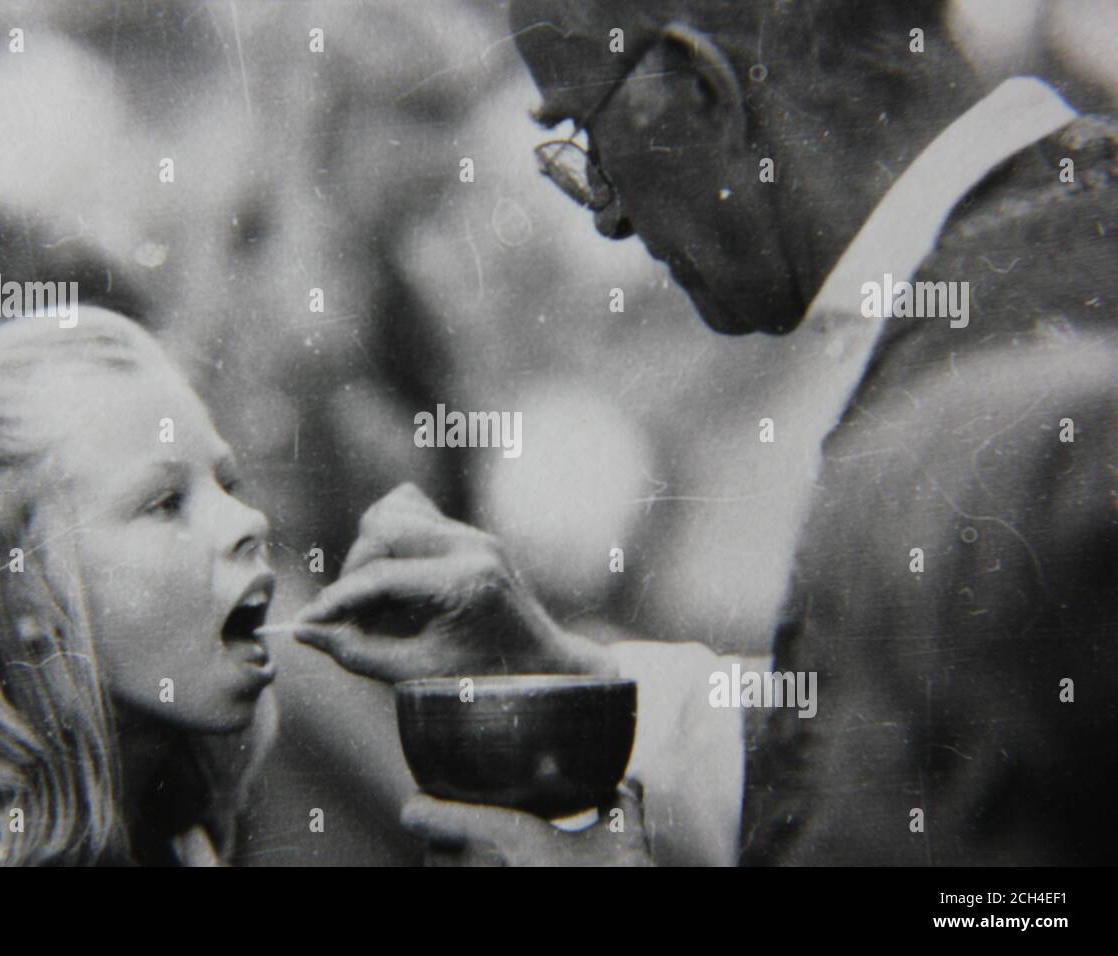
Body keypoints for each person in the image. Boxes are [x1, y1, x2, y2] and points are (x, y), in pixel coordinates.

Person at [291, 0, 1117, 865]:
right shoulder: (1043, 247)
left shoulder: (1005, 379)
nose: (604, 211)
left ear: (697, 89)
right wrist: (584, 689)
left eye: (585, 134)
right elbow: (912, 744)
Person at [0, 306, 279, 865]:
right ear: (18, 590)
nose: (249, 521)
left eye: (227, 483)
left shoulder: (181, 838)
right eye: (165, 504)